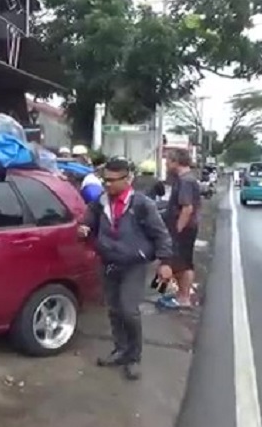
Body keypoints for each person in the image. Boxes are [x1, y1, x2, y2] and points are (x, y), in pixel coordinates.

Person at [79, 157, 173, 380]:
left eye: (112, 180)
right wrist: (84, 226)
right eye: (105, 180)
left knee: (129, 310)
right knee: (113, 309)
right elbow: (89, 217)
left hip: (133, 264)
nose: (107, 184)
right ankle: (119, 350)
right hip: (109, 262)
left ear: (127, 179)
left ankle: (134, 357)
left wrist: (166, 262)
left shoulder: (142, 204)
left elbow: (160, 234)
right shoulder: (101, 202)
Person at [159, 148, 201, 309]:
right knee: (179, 262)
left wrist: (176, 231)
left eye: (168, 160)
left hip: (183, 229)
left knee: (178, 263)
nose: (166, 163)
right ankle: (169, 292)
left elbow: (187, 208)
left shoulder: (185, 181)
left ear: (176, 162)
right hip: (184, 227)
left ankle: (183, 298)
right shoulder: (184, 179)